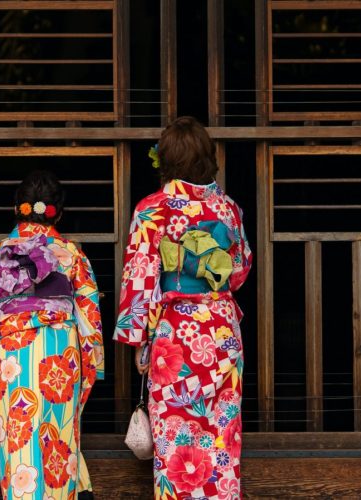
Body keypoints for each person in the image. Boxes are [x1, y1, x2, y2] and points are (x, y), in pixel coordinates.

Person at [114, 117, 252, 499]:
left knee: (177, 435)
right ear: (209, 158)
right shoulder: (229, 209)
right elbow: (238, 271)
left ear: (165, 161)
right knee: (222, 435)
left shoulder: (153, 209)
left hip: (177, 335)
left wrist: (138, 340)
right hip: (222, 332)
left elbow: (140, 277)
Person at [0, 170, 105, 499]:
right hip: (61, 350)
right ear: (58, 212)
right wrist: (91, 369)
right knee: (60, 438)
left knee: (18, 438)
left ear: (16, 208)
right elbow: (90, 317)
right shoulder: (71, 254)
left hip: (13, 350)